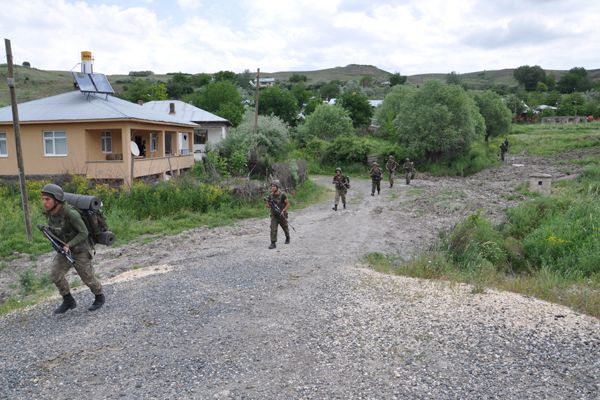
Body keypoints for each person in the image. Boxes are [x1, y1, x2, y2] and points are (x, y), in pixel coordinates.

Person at [41, 184, 105, 314]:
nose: (44, 202)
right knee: (55, 274)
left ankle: (99, 297)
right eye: (43, 199)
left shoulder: (71, 213)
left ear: (56, 199)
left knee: (87, 277)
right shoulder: (51, 214)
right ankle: (68, 300)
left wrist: (69, 244)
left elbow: (84, 232)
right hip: (65, 251)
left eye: (47, 199)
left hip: (80, 249)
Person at [265, 180, 290, 249]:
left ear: (277, 187)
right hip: (274, 215)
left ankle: (287, 237)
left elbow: (288, 204)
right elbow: (267, 206)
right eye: (271, 186)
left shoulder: (282, 195)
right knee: (273, 228)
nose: (272, 188)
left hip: (282, 214)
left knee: (285, 227)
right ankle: (273, 243)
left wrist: (284, 210)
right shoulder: (270, 196)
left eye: (274, 186)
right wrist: (267, 204)